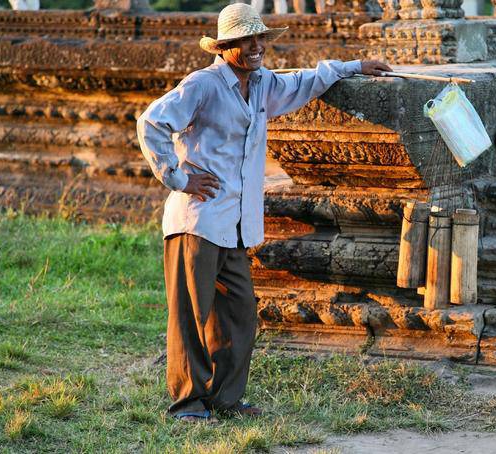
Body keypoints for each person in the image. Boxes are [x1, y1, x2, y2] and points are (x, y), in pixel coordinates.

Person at [136, 3, 391, 423]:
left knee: (239, 317)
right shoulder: (203, 85)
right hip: (197, 221)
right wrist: (179, 179)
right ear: (225, 46)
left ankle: (224, 399)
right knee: (190, 316)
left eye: (260, 39)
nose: (257, 47)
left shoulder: (262, 85)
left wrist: (355, 65)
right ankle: (188, 403)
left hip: (234, 226)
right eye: (247, 40)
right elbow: (151, 123)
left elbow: (305, 81)